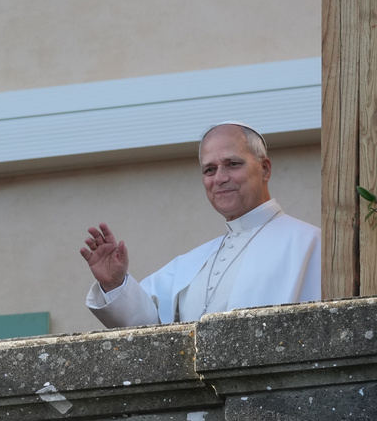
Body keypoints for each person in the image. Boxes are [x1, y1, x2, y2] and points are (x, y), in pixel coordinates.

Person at [80, 122, 321, 327]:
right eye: (210, 170)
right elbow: (148, 330)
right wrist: (115, 284)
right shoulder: (192, 262)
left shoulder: (310, 243)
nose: (220, 178)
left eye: (233, 164)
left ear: (265, 169)